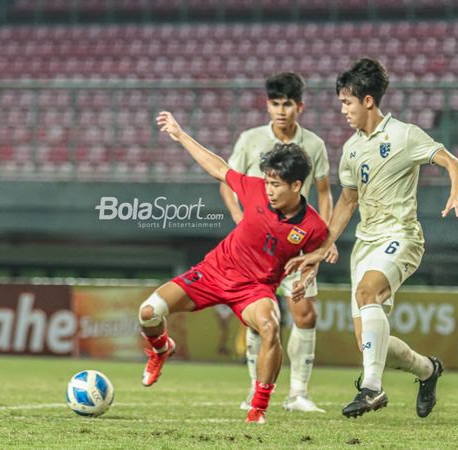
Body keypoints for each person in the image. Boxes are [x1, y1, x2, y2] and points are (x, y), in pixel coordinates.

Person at [286, 58, 458, 419]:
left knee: (365, 294)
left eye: (347, 102)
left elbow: (451, 160)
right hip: (366, 243)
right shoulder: (352, 149)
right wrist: (323, 247)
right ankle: (428, 370)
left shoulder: (404, 135)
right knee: (369, 343)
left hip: (401, 236)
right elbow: (347, 200)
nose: (343, 110)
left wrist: (457, 189)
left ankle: (372, 388)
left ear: (368, 101)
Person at [139, 111, 328, 424]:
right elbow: (219, 168)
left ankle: (257, 408)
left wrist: (306, 276)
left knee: (270, 327)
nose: (269, 190)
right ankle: (160, 349)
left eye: (276, 185)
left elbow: (313, 258)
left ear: (296, 185)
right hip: (213, 273)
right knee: (148, 312)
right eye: (267, 182)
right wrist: (181, 135)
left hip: (255, 290)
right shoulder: (254, 188)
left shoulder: (313, 227)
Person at [219, 72, 337, 413]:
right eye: (275, 103)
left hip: (295, 245)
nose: (281, 110)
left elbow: (325, 194)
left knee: (304, 313)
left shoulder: (313, 145)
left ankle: (297, 393)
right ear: (267, 105)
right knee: (259, 317)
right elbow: (227, 183)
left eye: (287, 104)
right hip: (254, 249)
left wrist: (324, 240)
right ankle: (254, 389)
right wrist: (240, 219)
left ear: (299, 106)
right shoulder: (250, 139)